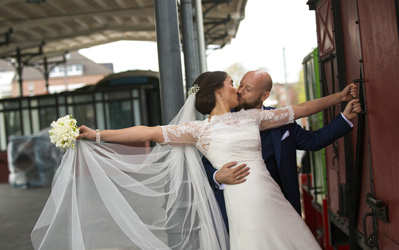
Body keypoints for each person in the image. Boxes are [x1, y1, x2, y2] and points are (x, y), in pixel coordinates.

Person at [31, 71, 360, 250]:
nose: (238, 88)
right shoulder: (198, 131)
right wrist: (97, 134)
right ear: (218, 91)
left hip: (273, 196)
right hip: (242, 202)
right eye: (233, 83)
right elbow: (147, 131)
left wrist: (340, 98)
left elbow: (300, 110)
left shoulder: (255, 117)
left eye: (243, 85)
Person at [202, 70, 358, 228]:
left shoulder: (279, 117)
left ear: (264, 96)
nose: (240, 92)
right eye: (240, 85)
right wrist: (217, 176)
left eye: (247, 89)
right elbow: (205, 163)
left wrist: (344, 117)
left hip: (280, 204)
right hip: (239, 207)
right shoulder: (222, 120)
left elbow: (313, 141)